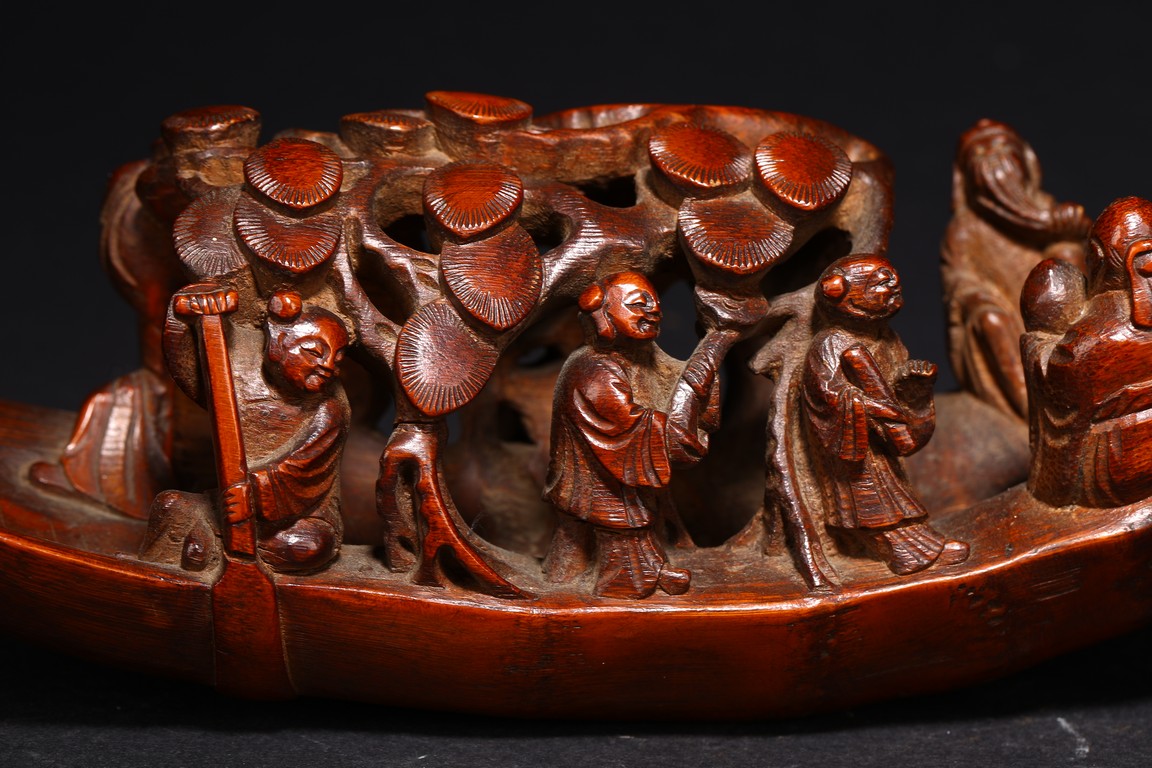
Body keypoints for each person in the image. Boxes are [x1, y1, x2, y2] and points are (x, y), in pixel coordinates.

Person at [543, 271, 736, 599]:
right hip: (596, 478)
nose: (653, 310)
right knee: (623, 525)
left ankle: (588, 575)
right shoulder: (594, 370)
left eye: (656, 304)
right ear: (603, 313)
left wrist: (712, 351)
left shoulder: (638, 358)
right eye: (638, 304)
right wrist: (692, 386)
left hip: (605, 478)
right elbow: (638, 429)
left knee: (579, 545)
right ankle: (628, 583)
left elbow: (678, 381)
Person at [142, 288, 351, 574]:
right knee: (168, 506)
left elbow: (302, 472)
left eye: (337, 360)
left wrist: (251, 492)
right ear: (278, 341)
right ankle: (199, 544)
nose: (327, 366)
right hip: (228, 501)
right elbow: (186, 365)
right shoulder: (237, 368)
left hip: (299, 515)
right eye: (314, 352)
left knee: (307, 546)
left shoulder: (329, 410)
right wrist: (188, 310)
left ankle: (211, 541)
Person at [802, 254, 969, 575]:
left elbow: (893, 391)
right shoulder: (831, 343)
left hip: (882, 439)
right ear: (845, 297)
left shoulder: (887, 339)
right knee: (871, 499)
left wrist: (912, 391)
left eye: (893, 280)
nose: (892, 287)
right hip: (855, 442)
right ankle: (902, 552)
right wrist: (868, 405)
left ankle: (917, 544)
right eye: (879, 283)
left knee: (895, 494)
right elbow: (826, 394)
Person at [1023, 196, 1152, 507]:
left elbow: (1059, 383)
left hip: (1123, 474)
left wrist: (1035, 343)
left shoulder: (1092, 339)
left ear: (1097, 259)